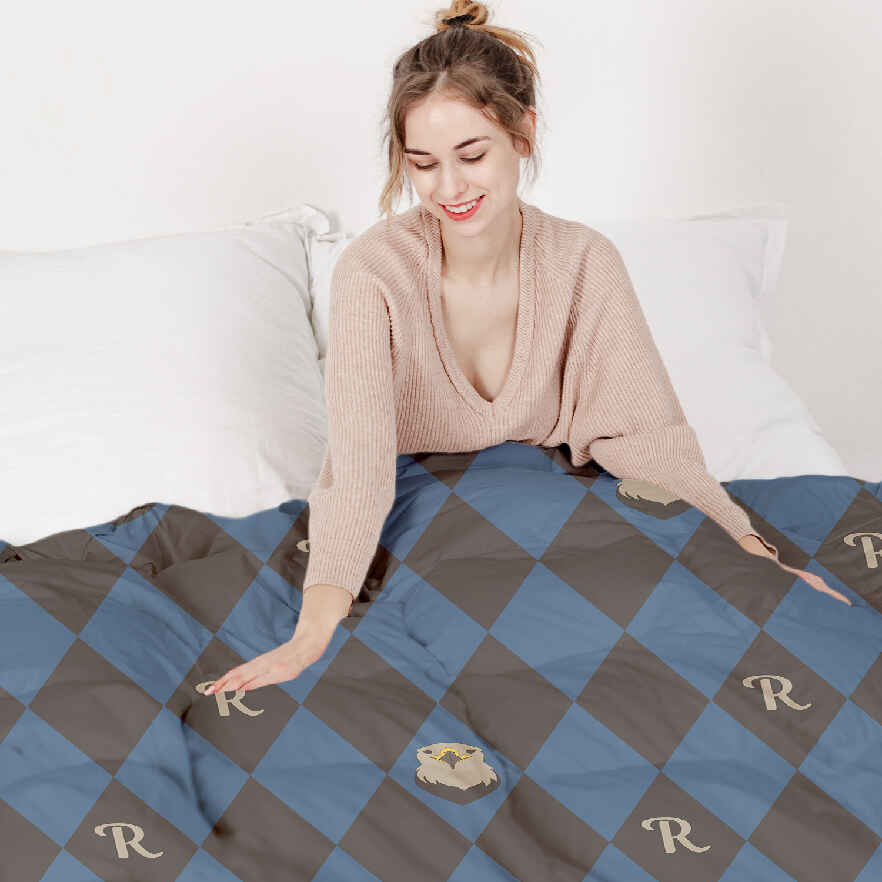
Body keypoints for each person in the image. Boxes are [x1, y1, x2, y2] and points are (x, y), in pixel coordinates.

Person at [206, 2, 850, 698]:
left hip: (561, 503)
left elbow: (649, 439)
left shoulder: (583, 261)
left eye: (472, 155)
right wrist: (312, 634)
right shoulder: (374, 272)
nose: (449, 188)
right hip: (424, 516)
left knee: (682, 643)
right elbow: (358, 471)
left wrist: (752, 553)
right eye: (423, 164)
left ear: (523, 134)